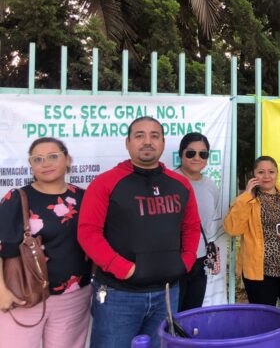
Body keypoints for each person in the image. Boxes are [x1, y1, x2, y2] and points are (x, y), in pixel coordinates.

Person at [78, 116, 201, 347]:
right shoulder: (106, 182)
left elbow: (191, 227)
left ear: (163, 143)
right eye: (139, 135)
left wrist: (185, 261)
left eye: (154, 136)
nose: (147, 141)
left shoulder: (180, 184)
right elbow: (88, 233)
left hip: (166, 292)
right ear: (128, 143)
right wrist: (121, 268)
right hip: (119, 294)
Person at [0, 138, 91, 348]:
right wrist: (2, 291)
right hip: (24, 293)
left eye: (53, 156)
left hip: (73, 296)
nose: (46, 163)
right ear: (31, 165)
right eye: (38, 159)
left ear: (68, 160)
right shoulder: (17, 197)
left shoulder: (84, 197)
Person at [224, 156, 280, 315]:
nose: (266, 176)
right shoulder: (246, 200)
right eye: (261, 172)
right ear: (253, 174)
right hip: (260, 274)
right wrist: (246, 196)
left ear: (277, 174)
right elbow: (233, 229)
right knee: (265, 321)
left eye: (271, 172)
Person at [175, 132, 223, 311]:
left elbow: (209, 223)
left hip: (199, 261)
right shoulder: (170, 182)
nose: (197, 158)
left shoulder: (211, 185)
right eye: (191, 153)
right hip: (174, 261)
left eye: (203, 154)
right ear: (181, 154)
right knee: (171, 316)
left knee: (192, 314)